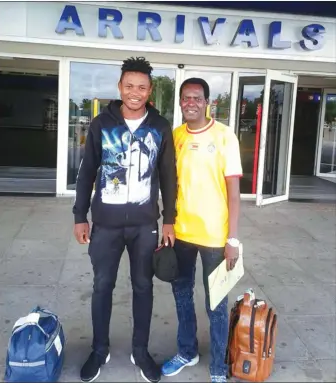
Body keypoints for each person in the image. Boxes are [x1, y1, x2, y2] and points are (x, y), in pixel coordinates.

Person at [73, 57, 177, 383]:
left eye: (142, 87)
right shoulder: (101, 124)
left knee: (143, 287)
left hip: (145, 225)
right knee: (102, 286)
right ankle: (99, 349)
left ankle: (140, 350)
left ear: (150, 91)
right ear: (120, 87)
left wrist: (169, 220)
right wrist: (80, 216)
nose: (135, 92)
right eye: (129, 86)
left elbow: (169, 177)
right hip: (105, 224)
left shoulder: (159, 127)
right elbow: (86, 171)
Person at [161, 78, 243, 383]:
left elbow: (234, 193)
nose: (190, 102)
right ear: (180, 102)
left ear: (207, 102)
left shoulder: (224, 137)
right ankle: (187, 351)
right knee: (182, 296)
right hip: (181, 233)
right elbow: (170, 185)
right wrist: (167, 224)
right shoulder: (176, 136)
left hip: (214, 237)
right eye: (185, 98)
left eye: (197, 97)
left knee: (216, 305)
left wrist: (232, 238)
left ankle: (219, 367)